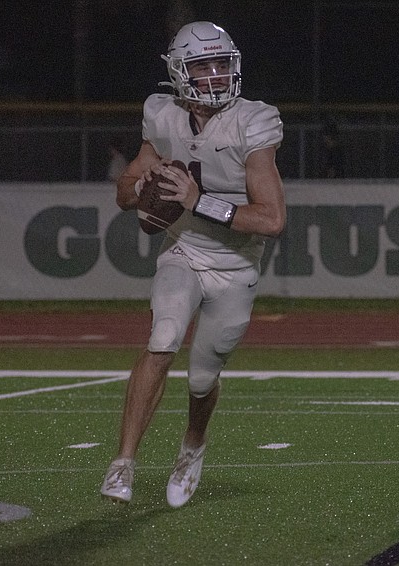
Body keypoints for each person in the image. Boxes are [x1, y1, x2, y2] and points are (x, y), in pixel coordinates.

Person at [100, 21, 286, 508]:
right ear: (180, 72)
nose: (216, 74)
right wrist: (141, 187)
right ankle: (123, 462)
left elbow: (271, 219)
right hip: (183, 250)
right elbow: (125, 192)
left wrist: (198, 201)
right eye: (204, 65)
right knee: (162, 339)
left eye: (222, 63)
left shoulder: (253, 121)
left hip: (236, 266)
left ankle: (192, 445)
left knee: (202, 379)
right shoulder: (161, 115)